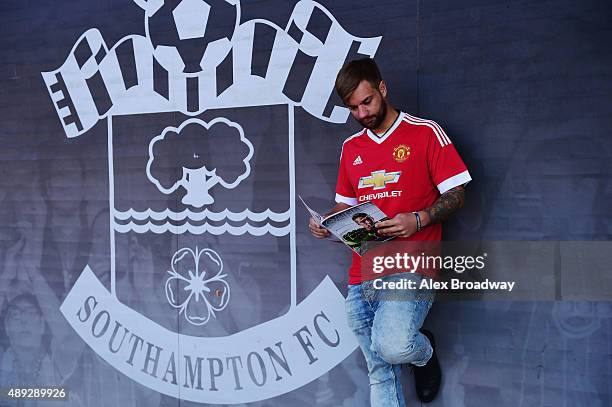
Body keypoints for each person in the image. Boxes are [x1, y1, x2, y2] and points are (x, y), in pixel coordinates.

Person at [308, 58, 471, 406]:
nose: (362, 112)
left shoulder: (424, 132)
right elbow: (345, 206)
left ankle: (422, 351)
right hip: (362, 270)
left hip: (412, 265)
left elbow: (457, 192)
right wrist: (327, 221)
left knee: (394, 345)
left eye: (367, 101)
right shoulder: (351, 148)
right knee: (378, 369)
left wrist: (420, 219)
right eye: (353, 108)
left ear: (382, 88)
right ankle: (414, 348)